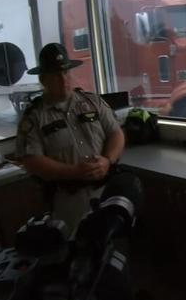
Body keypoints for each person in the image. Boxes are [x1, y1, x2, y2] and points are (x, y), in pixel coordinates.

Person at [16, 43, 125, 234]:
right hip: (70, 200)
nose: (63, 79)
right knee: (77, 247)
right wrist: (74, 172)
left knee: (114, 243)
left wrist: (107, 161)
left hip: (106, 191)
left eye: (66, 72)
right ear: (43, 79)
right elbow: (32, 161)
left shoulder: (92, 102)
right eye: (55, 75)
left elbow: (116, 134)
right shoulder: (34, 117)